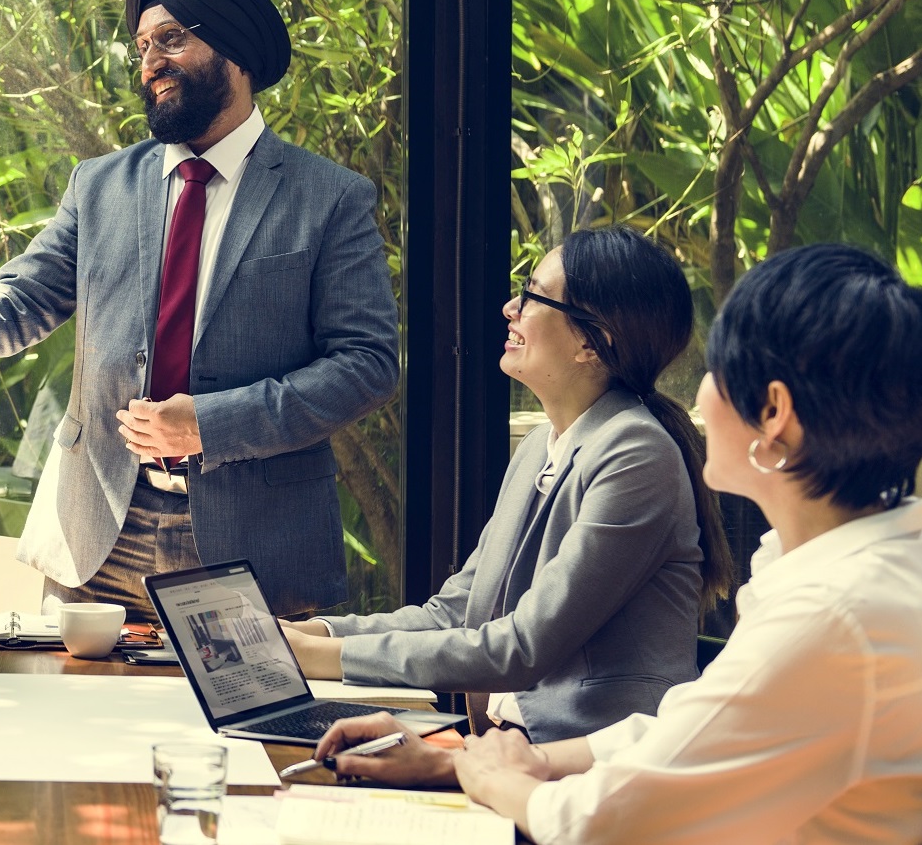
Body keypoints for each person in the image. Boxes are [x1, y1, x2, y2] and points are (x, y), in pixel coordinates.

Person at [307, 243, 922, 845]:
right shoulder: (829, 570)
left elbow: (606, 820)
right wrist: (457, 761)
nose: (695, 397)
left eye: (715, 372)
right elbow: (684, 729)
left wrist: (488, 772)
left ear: (775, 413)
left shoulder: (831, 614)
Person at [0, 0, 400, 620]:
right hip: (96, 536)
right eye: (143, 45)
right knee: (77, 723)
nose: (149, 62)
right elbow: (19, 304)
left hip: (253, 547)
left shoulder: (327, 198)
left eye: (171, 40)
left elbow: (365, 365)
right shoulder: (98, 187)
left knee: (240, 729)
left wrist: (211, 424)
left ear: (233, 51)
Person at [280, 227, 732, 742]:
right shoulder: (542, 446)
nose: (509, 308)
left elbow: (523, 647)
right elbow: (456, 612)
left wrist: (324, 658)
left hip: (588, 765)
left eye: (533, 295)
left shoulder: (636, 454)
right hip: (507, 744)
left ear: (593, 341)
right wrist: (316, 633)